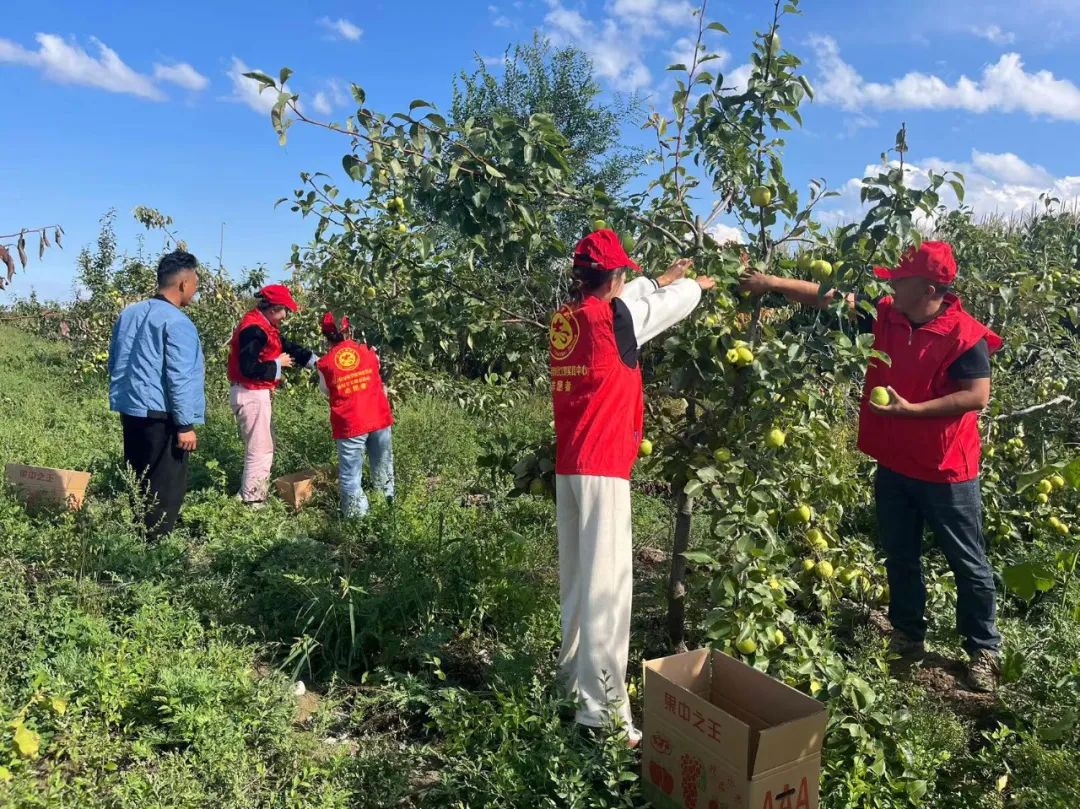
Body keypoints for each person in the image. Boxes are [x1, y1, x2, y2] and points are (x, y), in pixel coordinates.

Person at [740, 241, 1003, 691]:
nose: (891, 285)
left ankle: (984, 649)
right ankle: (907, 633)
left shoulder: (964, 335)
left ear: (929, 289)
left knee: (967, 561)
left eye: (901, 279)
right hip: (896, 463)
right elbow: (828, 297)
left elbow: (977, 396)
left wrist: (911, 411)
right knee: (900, 553)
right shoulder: (886, 315)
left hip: (946, 469)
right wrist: (771, 282)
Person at [551, 229, 715, 744]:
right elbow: (663, 308)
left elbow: (632, 303)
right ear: (615, 276)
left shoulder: (568, 319)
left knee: (579, 585)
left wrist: (659, 279)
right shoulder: (616, 320)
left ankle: (570, 686)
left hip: (571, 467)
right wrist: (693, 287)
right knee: (608, 593)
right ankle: (602, 718)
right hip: (603, 468)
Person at [108, 249, 205, 539]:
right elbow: (179, 376)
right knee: (165, 484)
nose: (196, 290)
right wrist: (185, 425)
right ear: (183, 283)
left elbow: (115, 360)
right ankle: (155, 545)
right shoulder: (178, 323)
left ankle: (138, 535)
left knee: (139, 476)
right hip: (162, 415)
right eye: (195, 283)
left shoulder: (129, 313)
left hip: (131, 408)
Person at [226, 284, 318, 507]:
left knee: (263, 445)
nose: (286, 315)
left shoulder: (265, 327)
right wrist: (277, 363)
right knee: (260, 448)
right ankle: (253, 500)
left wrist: (317, 362)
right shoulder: (253, 330)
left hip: (254, 393)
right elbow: (248, 367)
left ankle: (247, 493)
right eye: (284, 310)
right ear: (273, 308)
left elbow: (287, 346)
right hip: (250, 393)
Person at [316, 312, 395, 517]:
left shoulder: (324, 363)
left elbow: (326, 390)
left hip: (350, 423)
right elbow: (376, 376)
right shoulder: (369, 351)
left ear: (326, 336)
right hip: (378, 417)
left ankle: (357, 522)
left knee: (351, 476)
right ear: (348, 329)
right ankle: (387, 514)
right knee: (383, 469)